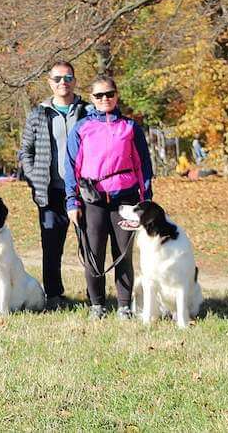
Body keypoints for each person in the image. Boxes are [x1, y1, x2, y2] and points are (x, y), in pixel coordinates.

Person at [65, 74, 153, 321]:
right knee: (93, 253)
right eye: (99, 95)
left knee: (123, 254)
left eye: (109, 94)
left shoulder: (131, 128)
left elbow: (144, 166)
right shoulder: (81, 128)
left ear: (117, 95)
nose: (105, 99)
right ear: (92, 98)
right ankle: (97, 305)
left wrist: (145, 202)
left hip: (125, 198)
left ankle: (124, 306)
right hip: (92, 200)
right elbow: (70, 167)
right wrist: (72, 201)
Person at [19, 60, 87, 310]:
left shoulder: (87, 111)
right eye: (57, 79)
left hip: (83, 191)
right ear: (49, 82)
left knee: (89, 243)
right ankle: (54, 295)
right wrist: (34, 177)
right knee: (51, 246)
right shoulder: (39, 113)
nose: (63, 83)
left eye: (68, 78)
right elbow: (25, 151)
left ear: (75, 81)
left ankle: (95, 295)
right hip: (50, 192)